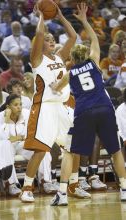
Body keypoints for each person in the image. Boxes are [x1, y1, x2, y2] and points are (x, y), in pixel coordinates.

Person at [50, 3, 126, 206]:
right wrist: (84, 20)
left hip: (84, 111)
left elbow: (56, 88)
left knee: (71, 152)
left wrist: (52, 84)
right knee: (115, 151)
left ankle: (63, 194)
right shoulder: (93, 61)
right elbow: (94, 39)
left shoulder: (69, 73)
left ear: (72, 60)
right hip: (104, 106)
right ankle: (125, 189)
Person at [20, 3, 77, 203]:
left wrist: (60, 16)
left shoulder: (60, 56)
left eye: (53, 38)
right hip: (44, 107)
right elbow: (40, 32)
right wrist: (42, 17)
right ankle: (27, 188)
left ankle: (73, 185)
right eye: (47, 39)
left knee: (72, 147)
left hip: (62, 107)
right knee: (41, 150)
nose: (51, 39)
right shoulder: (36, 59)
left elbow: (73, 38)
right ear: (39, 43)